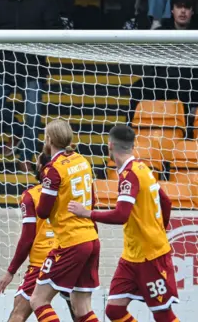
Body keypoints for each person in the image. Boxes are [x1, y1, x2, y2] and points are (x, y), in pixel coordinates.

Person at [69, 125, 180, 322]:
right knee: (114, 310)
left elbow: (121, 215)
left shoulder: (130, 175)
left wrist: (87, 213)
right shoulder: (143, 168)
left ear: (109, 145)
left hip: (151, 256)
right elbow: (166, 202)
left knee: (163, 315)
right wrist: (157, 228)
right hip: (131, 257)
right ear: (132, 145)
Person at [0, 0, 60, 172]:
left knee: (33, 116)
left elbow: (55, 31)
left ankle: (26, 156)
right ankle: (17, 132)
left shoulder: (45, 3)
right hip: (3, 68)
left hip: (33, 69)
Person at [29, 119, 100, 322]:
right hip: (91, 238)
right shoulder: (82, 161)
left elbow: (42, 211)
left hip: (71, 241)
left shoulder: (53, 169)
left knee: (38, 300)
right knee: (81, 306)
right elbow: (93, 200)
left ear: (49, 139)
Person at [0, 153, 76, 322]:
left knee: (20, 310)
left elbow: (27, 238)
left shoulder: (31, 196)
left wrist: (10, 271)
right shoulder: (70, 191)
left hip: (44, 260)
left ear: (42, 168)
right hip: (72, 254)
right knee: (80, 310)